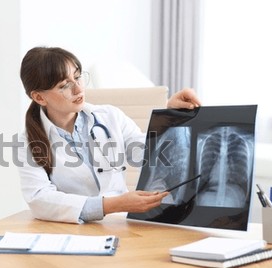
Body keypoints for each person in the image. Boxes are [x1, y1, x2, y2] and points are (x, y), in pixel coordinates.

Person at [17, 46, 201, 224]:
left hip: (120, 225)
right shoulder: (26, 143)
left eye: (78, 77)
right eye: (65, 86)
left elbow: (148, 155)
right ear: (39, 97)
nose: (78, 89)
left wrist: (170, 116)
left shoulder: (110, 117)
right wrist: (112, 205)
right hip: (71, 230)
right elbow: (40, 199)